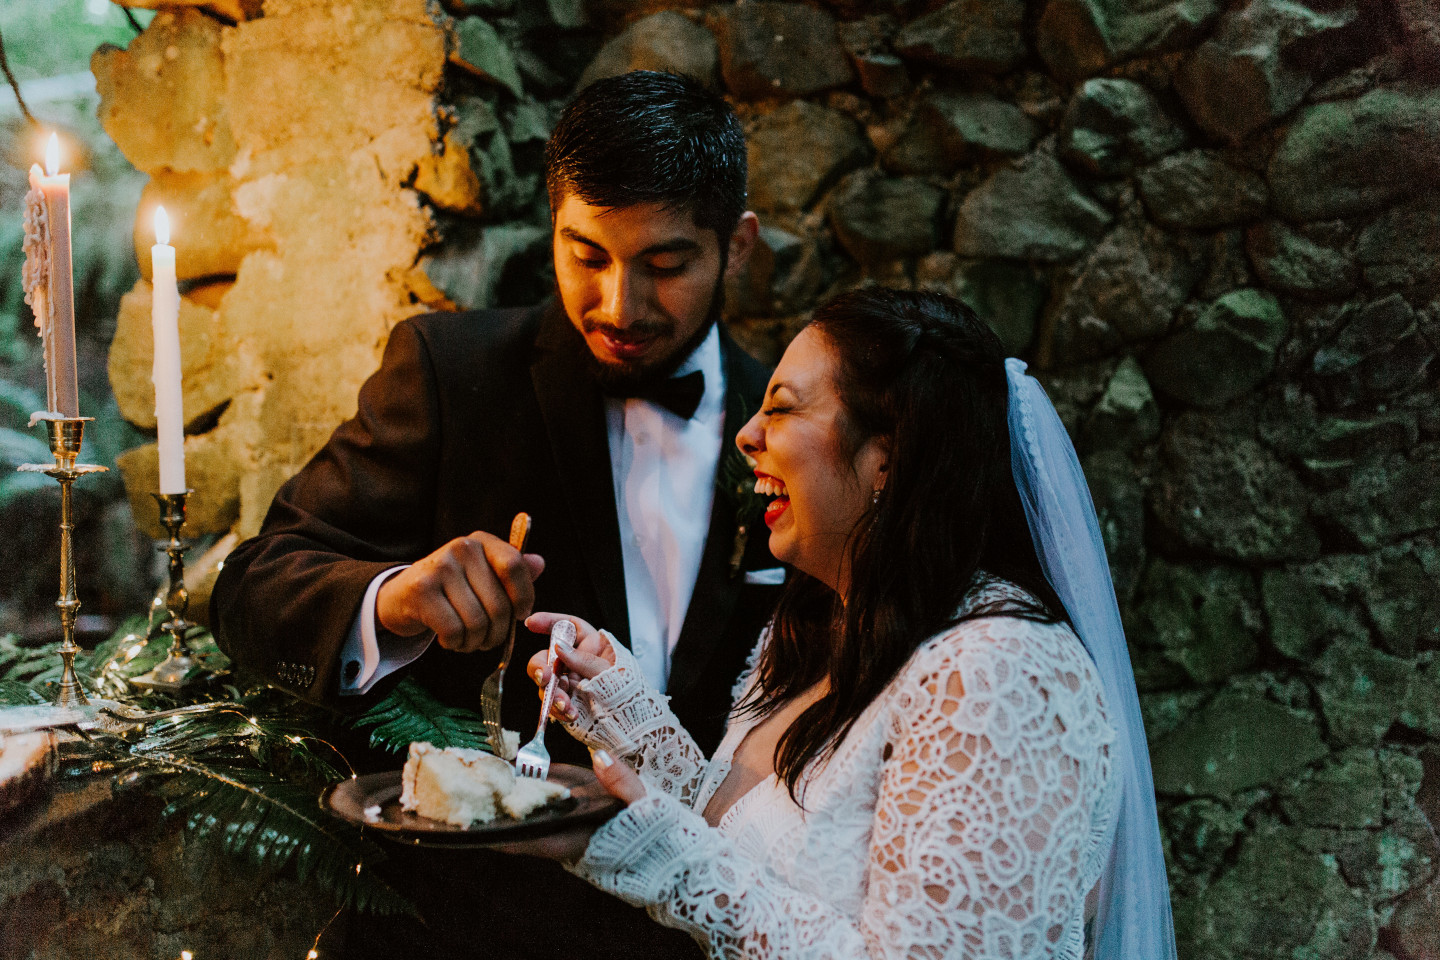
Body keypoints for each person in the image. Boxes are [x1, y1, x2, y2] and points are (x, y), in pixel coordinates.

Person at [211, 71, 784, 958]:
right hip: (470, 927)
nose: (618, 305)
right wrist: (394, 599)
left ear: (737, 247)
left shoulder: (785, 423)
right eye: (586, 254)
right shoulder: (449, 370)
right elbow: (254, 584)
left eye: (665, 265)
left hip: (703, 932)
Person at [519, 288, 1179, 959]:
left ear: (887, 455)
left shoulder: (1000, 674)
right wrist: (628, 719)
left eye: (781, 409)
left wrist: (655, 856)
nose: (747, 436)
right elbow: (760, 852)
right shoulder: (810, 631)